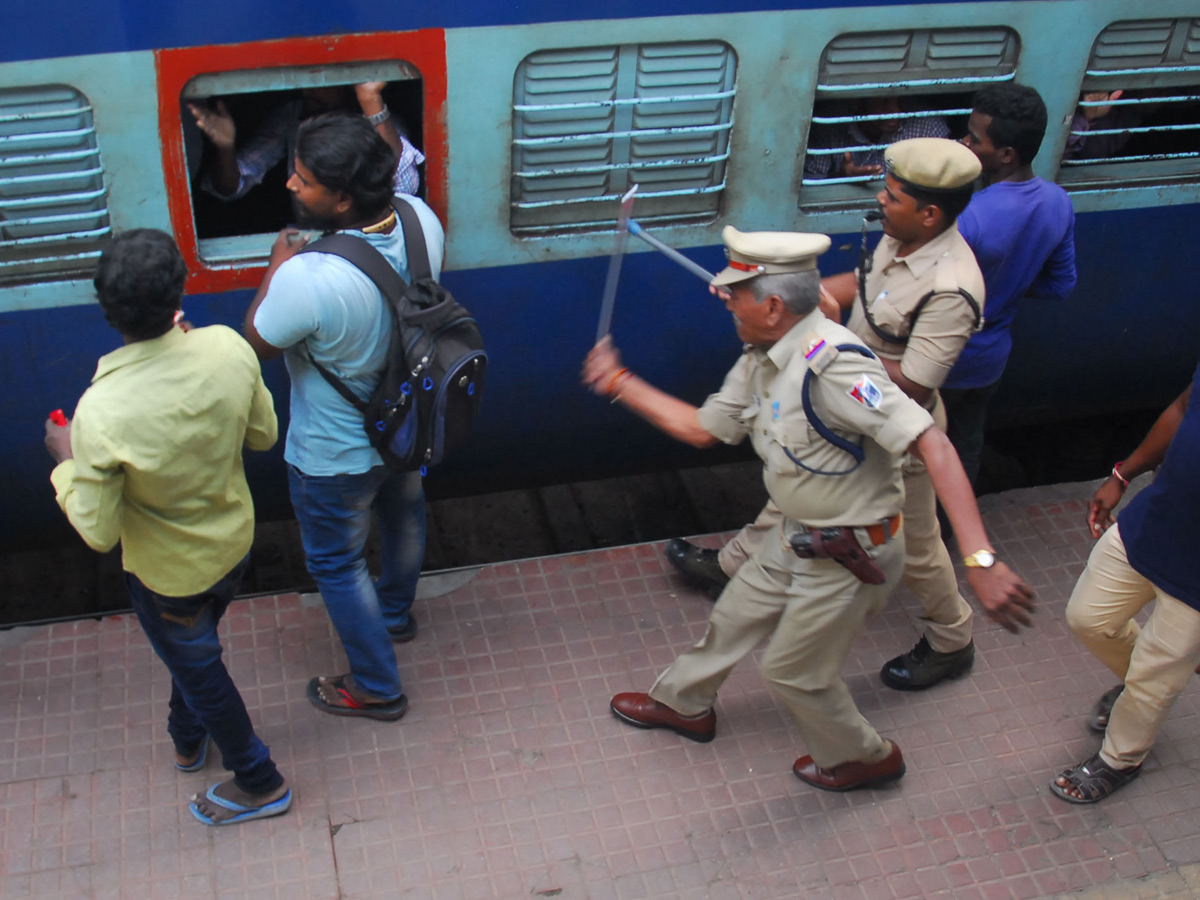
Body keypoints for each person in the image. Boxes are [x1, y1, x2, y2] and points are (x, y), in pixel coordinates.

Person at [583, 227, 1033, 792]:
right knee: (734, 616)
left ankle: (865, 758)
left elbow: (933, 444)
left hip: (852, 551)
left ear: (772, 306)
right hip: (797, 533)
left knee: (794, 673)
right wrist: (619, 382)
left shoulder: (837, 367)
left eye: (736, 294)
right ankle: (684, 705)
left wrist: (981, 560)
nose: (724, 301)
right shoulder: (763, 357)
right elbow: (703, 430)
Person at [671, 137, 991, 693]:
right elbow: (860, 293)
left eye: (892, 197)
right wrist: (786, 295)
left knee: (918, 552)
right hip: (837, 409)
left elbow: (912, 384)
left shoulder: (951, 287)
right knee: (793, 487)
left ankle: (951, 640)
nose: (880, 201)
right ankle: (731, 566)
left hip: (890, 433)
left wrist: (817, 342)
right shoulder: (900, 241)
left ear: (930, 211)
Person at [44, 229, 290, 826]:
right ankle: (186, 736)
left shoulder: (100, 411)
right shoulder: (228, 348)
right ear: (180, 288)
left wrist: (65, 462)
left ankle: (259, 781)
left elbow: (100, 532)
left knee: (200, 668)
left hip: (167, 576)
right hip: (232, 545)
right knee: (193, 655)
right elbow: (263, 436)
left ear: (107, 312)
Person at [243, 113, 444, 721]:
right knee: (405, 512)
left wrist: (277, 262)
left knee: (336, 561)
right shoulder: (421, 220)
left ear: (342, 199)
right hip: (408, 424)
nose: (290, 186)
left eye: (303, 180)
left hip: (335, 452)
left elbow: (254, 342)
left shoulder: (309, 277)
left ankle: (377, 685)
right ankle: (394, 615)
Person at [1051, 364, 1200, 803]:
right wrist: (1123, 475)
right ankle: (1139, 690)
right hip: (1152, 525)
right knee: (1088, 617)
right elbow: (1182, 406)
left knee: (1159, 672)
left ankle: (1122, 757)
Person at [942, 83, 1077, 487]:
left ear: (1005, 155)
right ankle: (948, 530)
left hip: (944, 358)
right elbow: (1060, 285)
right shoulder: (1058, 202)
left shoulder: (969, 217)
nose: (964, 142)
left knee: (917, 447)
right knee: (964, 446)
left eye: (974, 138)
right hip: (991, 359)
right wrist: (1008, 285)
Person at [189, 81, 424, 201]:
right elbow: (231, 186)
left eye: (319, 82)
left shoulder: (384, 126)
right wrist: (225, 148)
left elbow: (403, 186)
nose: (306, 91)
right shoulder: (294, 115)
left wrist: (371, 100)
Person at [804, 96, 950, 180]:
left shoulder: (928, 125)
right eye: (884, 102)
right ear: (857, 103)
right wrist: (842, 177)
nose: (895, 112)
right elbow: (808, 182)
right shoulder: (829, 124)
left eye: (901, 101)